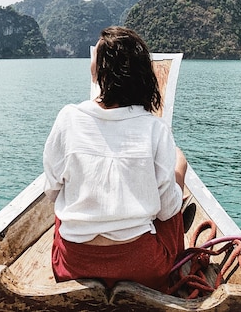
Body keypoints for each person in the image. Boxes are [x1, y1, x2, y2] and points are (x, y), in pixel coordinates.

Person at [43, 26, 188, 292]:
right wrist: (179, 171)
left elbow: (52, 191)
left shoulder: (68, 118)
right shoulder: (155, 128)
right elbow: (168, 210)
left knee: (62, 209)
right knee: (176, 177)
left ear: (98, 71)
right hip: (142, 268)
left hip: (73, 266)